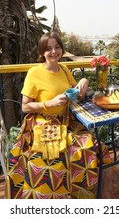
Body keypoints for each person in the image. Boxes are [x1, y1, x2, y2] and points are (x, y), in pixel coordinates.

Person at [5, 31, 110, 199]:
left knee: (89, 145)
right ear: (41, 52)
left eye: (57, 47)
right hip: (43, 123)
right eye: (48, 48)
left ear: (62, 49)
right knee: (52, 159)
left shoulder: (64, 69)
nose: (54, 52)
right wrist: (49, 103)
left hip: (65, 121)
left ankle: (77, 194)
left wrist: (83, 82)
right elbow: (25, 107)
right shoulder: (34, 73)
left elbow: (78, 94)